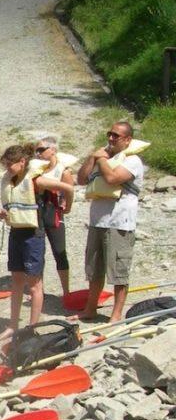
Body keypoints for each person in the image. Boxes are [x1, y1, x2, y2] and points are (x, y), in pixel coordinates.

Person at [75, 121, 148, 322]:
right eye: (110, 134)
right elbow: (81, 179)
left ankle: (116, 315)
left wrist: (101, 160)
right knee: (94, 269)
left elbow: (113, 179)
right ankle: (90, 309)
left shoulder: (132, 160)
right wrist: (93, 157)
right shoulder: (102, 157)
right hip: (98, 221)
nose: (110, 138)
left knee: (119, 271)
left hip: (119, 223)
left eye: (116, 135)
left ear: (127, 140)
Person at [0, 144, 51, 343]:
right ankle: (13, 325)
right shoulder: (10, 180)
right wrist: (4, 214)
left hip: (33, 235)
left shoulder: (36, 180)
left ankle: (32, 328)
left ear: (22, 162)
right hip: (16, 232)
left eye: (10, 164)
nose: (7, 168)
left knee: (35, 284)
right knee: (17, 280)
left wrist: (67, 205)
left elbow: (67, 187)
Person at [34, 136, 77, 297]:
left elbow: (69, 191)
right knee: (38, 252)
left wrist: (68, 207)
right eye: (36, 150)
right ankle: (39, 289)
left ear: (52, 150)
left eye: (41, 150)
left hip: (54, 214)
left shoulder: (63, 170)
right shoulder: (37, 169)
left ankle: (66, 291)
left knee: (59, 251)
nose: (38, 154)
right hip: (38, 213)